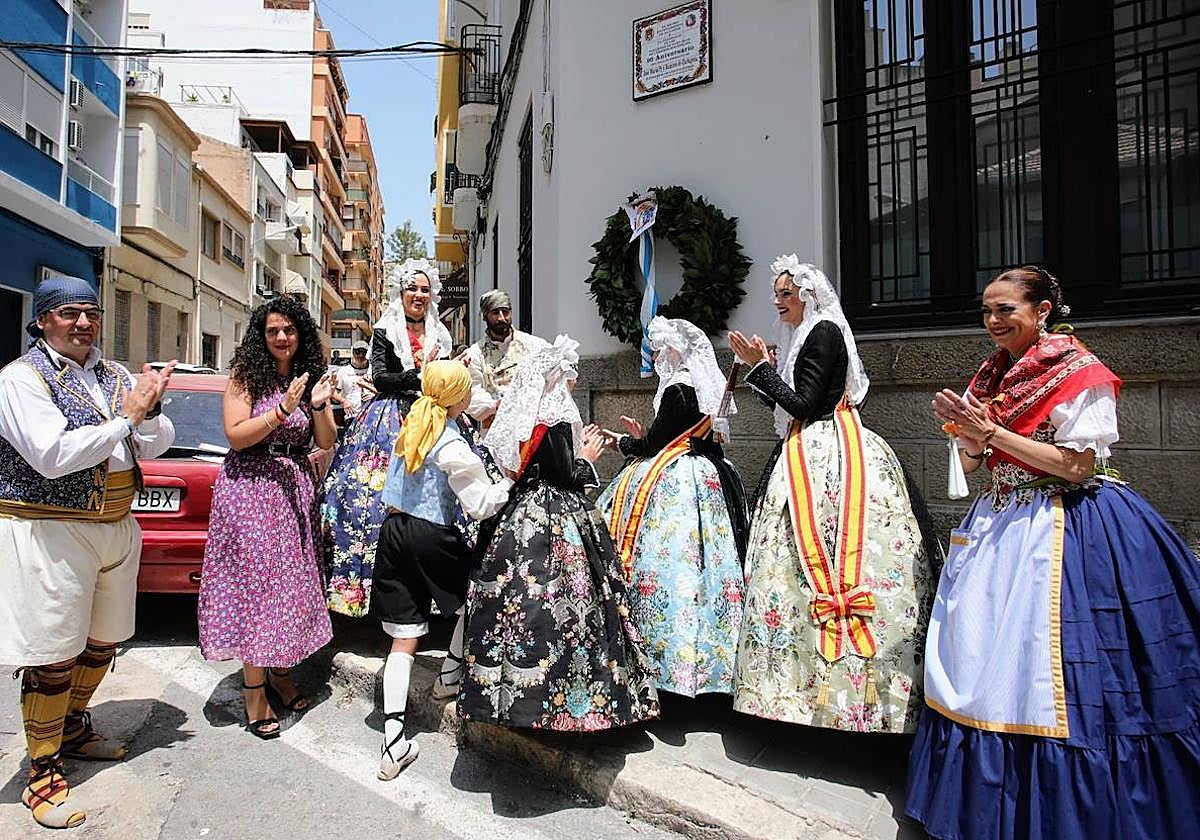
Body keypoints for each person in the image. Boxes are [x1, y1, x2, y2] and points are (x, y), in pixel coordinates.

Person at [905, 267, 1200, 840]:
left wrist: (990, 433)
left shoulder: (1078, 371)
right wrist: (969, 438)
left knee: (1053, 665)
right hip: (1000, 521)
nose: (993, 321)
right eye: (987, 310)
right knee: (982, 656)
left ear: (1042, 311)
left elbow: (1076, 466)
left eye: (1006, 309)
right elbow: (973, 464)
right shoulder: (990, 375)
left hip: (1065, 523)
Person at [727, 256, 932, 733]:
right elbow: (794, 403)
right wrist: (761, 371)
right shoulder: (806, 334)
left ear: (808, 295)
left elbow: (805, 405)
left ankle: (849, 688)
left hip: (827, 451)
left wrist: (761, 368)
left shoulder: (823, 331)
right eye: (776, 294)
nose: (778, 302)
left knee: (832, 551)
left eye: (786, 294)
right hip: (811, 443)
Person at [0, 276, 175, 829]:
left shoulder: (113, 374)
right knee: (54, 653)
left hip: (116, 524)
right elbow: (51, 455)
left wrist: (149, 412)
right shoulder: (21, 378)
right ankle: (42, 772)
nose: (83, 323)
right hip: (51, 528)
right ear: (42, 320)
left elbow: (156, 442)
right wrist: (127, 419)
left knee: (104, 641)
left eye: (92, 313)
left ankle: (72, 727)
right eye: (69, 313)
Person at [458, 335, 661, 731]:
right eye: (570, 374)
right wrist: (586, 458)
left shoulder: (530, 415)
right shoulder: (553, 417)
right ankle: (562, 701)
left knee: (520, 604)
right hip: (554, 517)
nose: (575, 380)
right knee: (565, 605)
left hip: (521, 515)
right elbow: (565, 477)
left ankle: (511, 696)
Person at [197, 295, 337, 740]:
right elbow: (237, 436)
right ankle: (254, 689)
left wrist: (317, 406)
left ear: (301, 335)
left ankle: (279, 672)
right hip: (251, 489)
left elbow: (326, 440)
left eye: (289, 329)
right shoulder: (246, 376)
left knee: (288, 588)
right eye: (273, 330)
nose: (281, 337)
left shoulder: (306, 376)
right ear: (262, 335)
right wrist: (282, 410)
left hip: (292, 489)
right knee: (257, 589)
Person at [371, 360, 512, 779]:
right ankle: (449, 675)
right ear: (457, 398)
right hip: (430, 533)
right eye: (467, 390)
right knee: (476, 596)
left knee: (404, 636)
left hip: (393, 530)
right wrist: (510, 482)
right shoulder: (450, 440)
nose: (471, 395)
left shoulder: (413, 424)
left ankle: (393, 742)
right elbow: (480, 504)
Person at [597, 316, 748, 697]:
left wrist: (622, 443)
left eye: (662, 349)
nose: (659, 356)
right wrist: (643, 436)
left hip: (675, 483)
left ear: (675, 350)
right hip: (710, 477)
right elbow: (703, 441)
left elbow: (653, 447)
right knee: (708, 565)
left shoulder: (678, 388)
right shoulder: (706, 386)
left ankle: (661, 659)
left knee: (667, 562)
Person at [320, 259, 453, 617]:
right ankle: (370, 592)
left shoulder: (440, 333)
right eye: (412, 288)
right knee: (371, 498)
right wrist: (419, 374)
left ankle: (432, 593)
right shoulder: (385, 329)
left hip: (432, 416)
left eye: (425, 289)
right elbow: (380, 378)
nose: (419, 295)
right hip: (389, 420)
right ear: (400, 292)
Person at [460, 288, 548, 429]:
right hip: (496, 428)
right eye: (495, 312)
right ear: (485, 316)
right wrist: (497, 405)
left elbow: (555, 369)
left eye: (505, 312)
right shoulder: (475, 353)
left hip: (532, 426)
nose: (501, 318)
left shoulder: (534, 345)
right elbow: (473, 393)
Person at [332, 339, 371, 426]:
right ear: (353, 353)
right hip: (351, 416)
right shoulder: (343, 371)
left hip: (371, 415)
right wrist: (343, 401)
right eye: (357, 352)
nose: (361, 355)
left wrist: (374, 395)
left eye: (364, 352)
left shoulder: (373, 371)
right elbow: (334, 393)